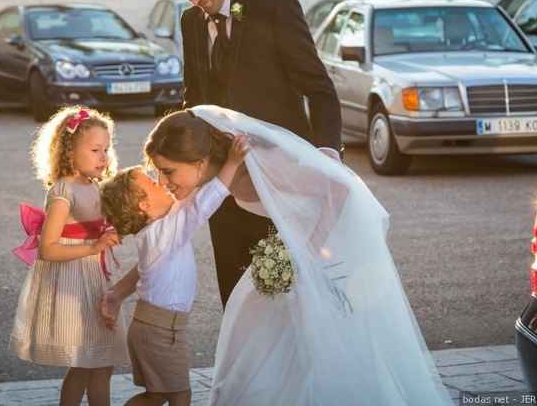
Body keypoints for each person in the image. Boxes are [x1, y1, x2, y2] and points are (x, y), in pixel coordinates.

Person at [114, 107, 453, 405]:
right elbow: (162, 244)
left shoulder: (261, 160)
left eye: (168, 171)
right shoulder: (208, 178)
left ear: (199, 161)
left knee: (317, 343)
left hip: (329, 243)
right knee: (255, 325)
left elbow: (339, 188)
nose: (164, 180)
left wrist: (305, 252)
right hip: (292, 251)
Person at [159, 0, 342, 305]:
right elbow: (195, 98)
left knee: (284, 289)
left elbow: (319, 88)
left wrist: (326, 151)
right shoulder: (191, 23)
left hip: (277, 179)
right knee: (234, 285)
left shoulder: (274, 8)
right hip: (222, 182)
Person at [99, 136, 248, 406]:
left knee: (157, 396)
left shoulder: (156, 229)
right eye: (154, 183)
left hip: (154, 327)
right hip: (159, 331)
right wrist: (232, 163)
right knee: (180, 395)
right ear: (144, 206)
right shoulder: (166, 231)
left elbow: (190, 196)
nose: (162, 182)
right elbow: (204, 203)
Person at [10, 106, 129, 406]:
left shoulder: (95, 185)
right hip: (74, 281)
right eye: (94, 150)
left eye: (106, 149)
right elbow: (48, 248)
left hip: (96, 278)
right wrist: (93, 246)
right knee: (83, 363)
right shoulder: (64, 190)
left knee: (102, 364)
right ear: (68, 152)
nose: (103, 157)